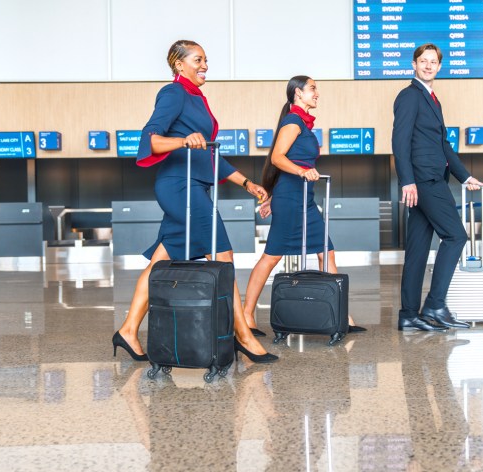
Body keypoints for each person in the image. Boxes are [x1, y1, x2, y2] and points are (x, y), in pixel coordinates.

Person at [112, 40, 277, 363]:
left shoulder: (195, 98)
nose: (204, 65)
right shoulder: (173, 94)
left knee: (161, 261)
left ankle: (129, 330)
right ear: (179, 64)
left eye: (205, 60)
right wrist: (182, 140)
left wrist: (247, 182)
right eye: (198, 60)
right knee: (223, 253)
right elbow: (150, 139)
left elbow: (209, 156)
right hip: (180, 187)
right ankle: (242, 334)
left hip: (192, 186)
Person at [242, 75, 365, 335]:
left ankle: (342, 316)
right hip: (292, 201)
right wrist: (300, 172)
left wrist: (276, 194)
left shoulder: (304, 125)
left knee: (326, 251)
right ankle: (245, 316)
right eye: (312, 88)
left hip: (304, 200)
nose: (317, 93)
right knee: (272, 256)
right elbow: (277, 157)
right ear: (297, 93)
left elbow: (293, 161)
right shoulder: (293, 122)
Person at [392, 43, 483, 332]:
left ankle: (408, 314)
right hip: (424, 180)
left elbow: (443, 144)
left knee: (418, 250)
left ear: (439, 66)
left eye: (433, 61)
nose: (428, 65)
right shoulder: (409, 96)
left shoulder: (433, 99)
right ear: (414, 64)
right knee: (456, 237)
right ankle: (434, 304)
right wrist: (407, 180)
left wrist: (464, 176)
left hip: (429, 179)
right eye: (423, 61)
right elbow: (399, 140)